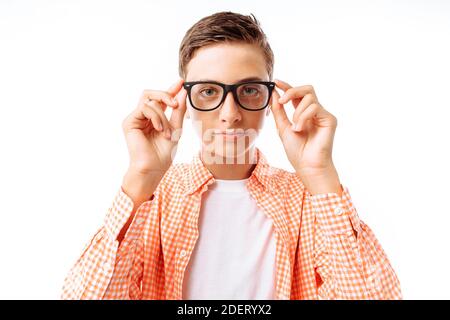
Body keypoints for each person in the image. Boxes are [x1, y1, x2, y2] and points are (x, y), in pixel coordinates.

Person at [61, 11, 402, 300]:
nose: (229, 113)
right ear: (183, 99)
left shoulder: (306, 200)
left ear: (271, 100)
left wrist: (320, 173)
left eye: (249, 90)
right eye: (208, 91)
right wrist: (140, 176)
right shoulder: (154, 196)